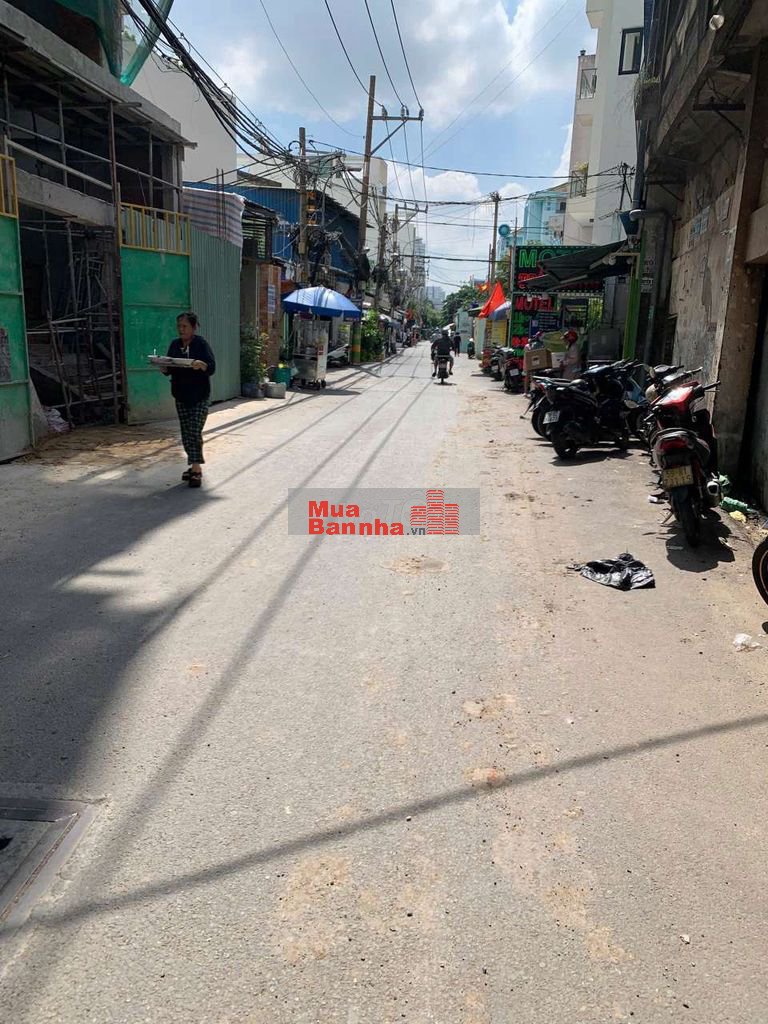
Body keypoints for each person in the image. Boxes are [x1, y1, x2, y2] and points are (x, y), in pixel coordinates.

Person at [163, 312, 216, 487]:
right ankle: (193, 466)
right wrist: (163, 368)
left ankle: (196, 470)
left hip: (199, 396)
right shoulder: (175, 345)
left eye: (185, 326)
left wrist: (202, 365)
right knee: (186, 433)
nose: (181, 329)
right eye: (179, 326)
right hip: (181, 395)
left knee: (194, 430)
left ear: (193, 327)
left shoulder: (201, 344)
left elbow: (211, 367)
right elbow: (170, 367)